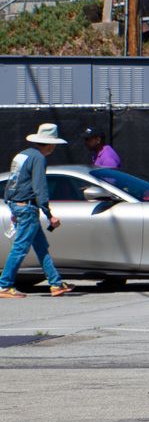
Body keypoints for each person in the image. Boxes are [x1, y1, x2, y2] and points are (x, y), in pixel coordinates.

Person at [0, 123, 71, 298]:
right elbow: (40, 188)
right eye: (54, 144)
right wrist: (49, 214)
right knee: (20, 248)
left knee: (41, 247)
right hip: (28, 207)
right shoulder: (39, 158)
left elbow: (12, 182)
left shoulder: (22, 155)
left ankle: (55, 283)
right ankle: (4, 285)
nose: (54, 147)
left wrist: (12, 205)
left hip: (19, 204)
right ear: (50, 144)